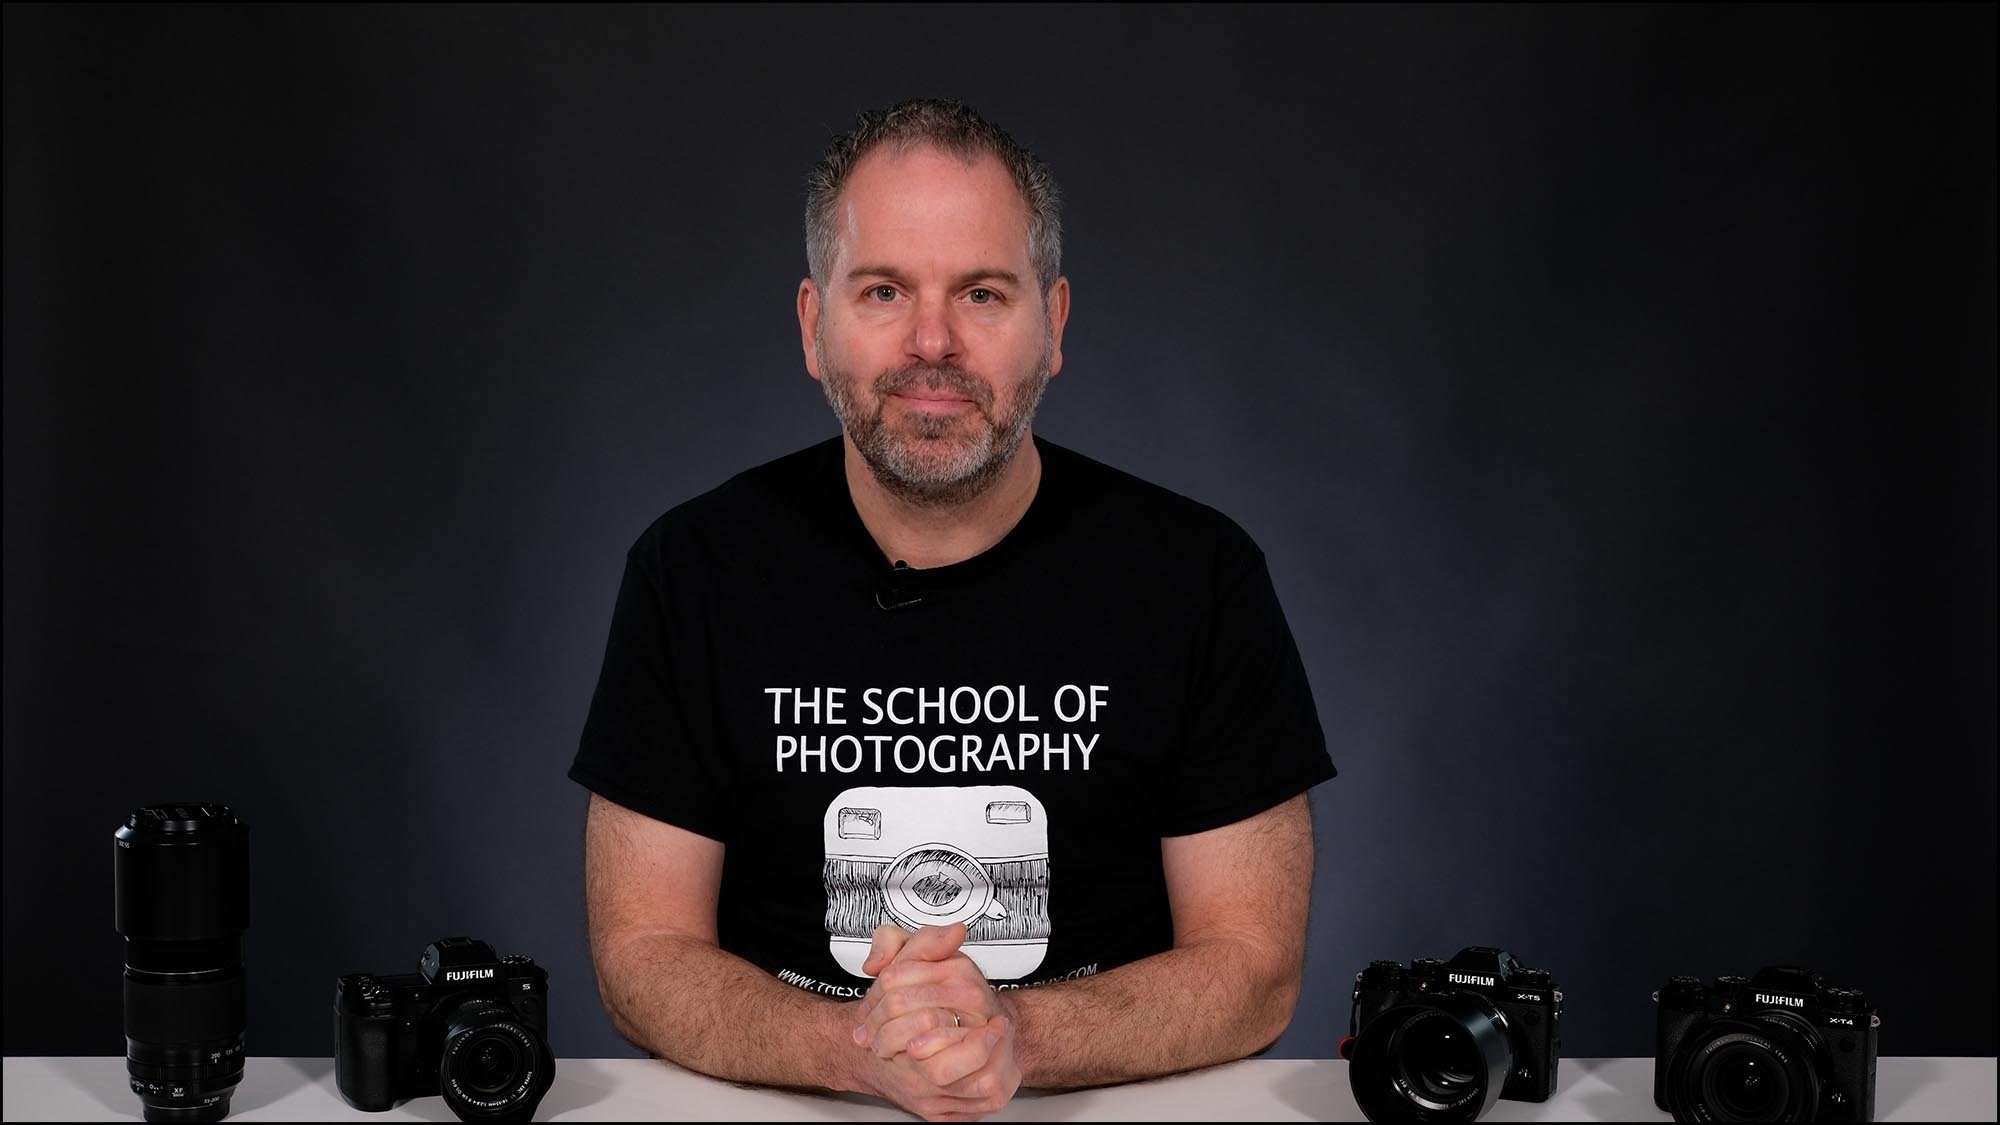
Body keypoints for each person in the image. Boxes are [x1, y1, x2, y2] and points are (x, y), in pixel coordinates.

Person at [569, 97, 1336, 1121]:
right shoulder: (692, 569)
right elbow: (640, 954)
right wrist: (849, 1049)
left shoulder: (1196, 573)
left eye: (981, 293)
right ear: (812, 325)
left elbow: (1252, 969)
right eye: (883, 290)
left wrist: (1018, 1037)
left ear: (1051, 326)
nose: (931, 343)